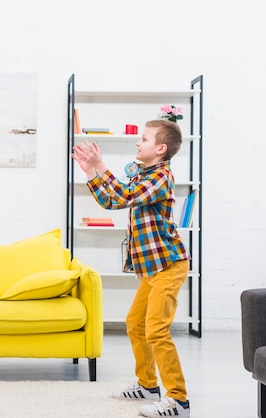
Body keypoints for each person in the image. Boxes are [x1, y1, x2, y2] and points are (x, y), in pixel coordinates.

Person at [72, 119, 191, 417]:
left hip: (168, 264)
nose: (138, 143)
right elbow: (111, 201)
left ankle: (178, 400)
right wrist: (91, 171)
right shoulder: (144, 173)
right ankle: (148, 385)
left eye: (145, 139)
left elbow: (124, 196)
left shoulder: (162, 177)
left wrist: (101, 164)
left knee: (156, 331)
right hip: (153, 267)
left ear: (161, 149)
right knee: (135, 325)